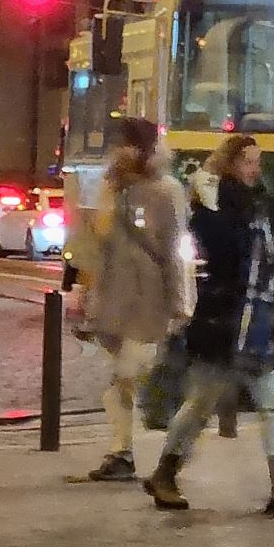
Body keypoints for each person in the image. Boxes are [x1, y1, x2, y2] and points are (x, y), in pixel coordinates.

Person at [146, 135, 274, 517]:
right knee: (200, 405)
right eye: (248, 162)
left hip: (257, 323)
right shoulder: (215, 204)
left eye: (258, 161)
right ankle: (165, 472)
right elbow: (223, 251)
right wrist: (208, 212)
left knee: (271, 406)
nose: (256, 169)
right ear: (230, 164)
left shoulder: (260, 204)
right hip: (224, 323)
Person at [87, 118, 191, 481]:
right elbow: (99, 243)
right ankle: (122, 452)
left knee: (129, 375)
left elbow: (173, 251)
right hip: (114, 298)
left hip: (149, 300)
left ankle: (144, 451)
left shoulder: (166, 190)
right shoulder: (113, 187)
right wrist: (88, 294)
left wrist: (179, 302)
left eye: (126, 145)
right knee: (120, 382)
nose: (119, 152)